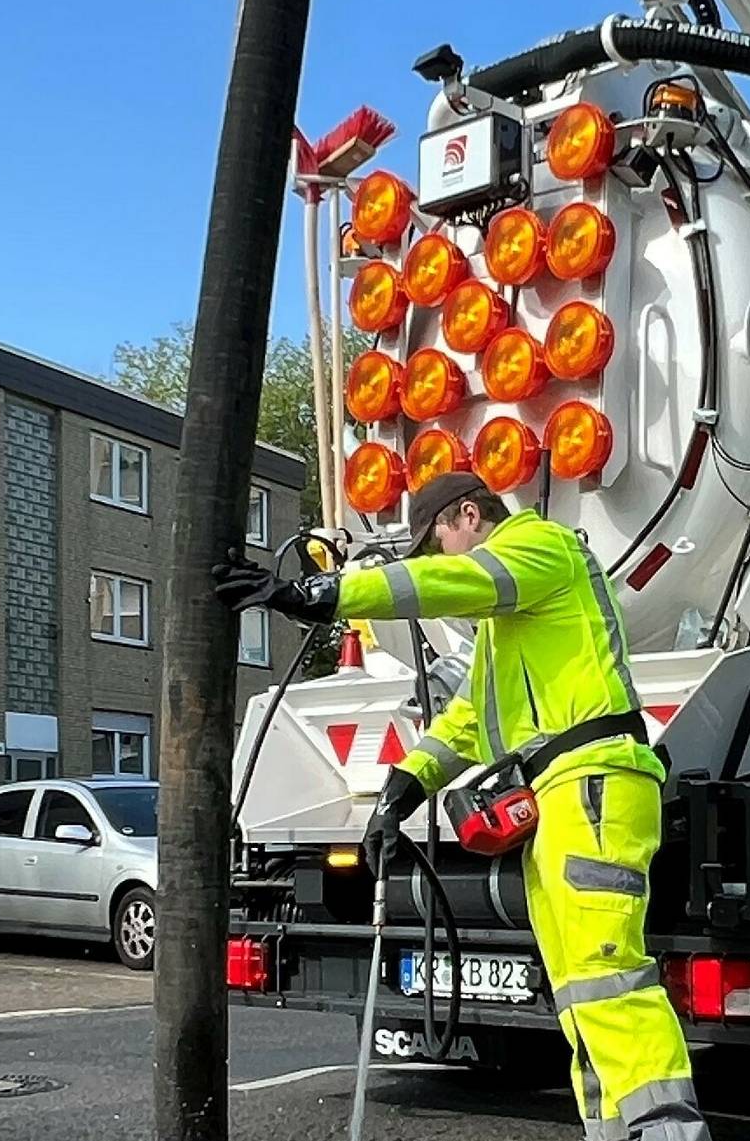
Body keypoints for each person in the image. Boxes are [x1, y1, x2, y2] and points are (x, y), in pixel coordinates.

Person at [213, 472, 707, 1141]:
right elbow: (468, 719)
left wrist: (327, 593)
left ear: (469, 514)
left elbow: (454, 582)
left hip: (591, 780)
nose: (440, 561)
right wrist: (402, 789)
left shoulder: (542, 546)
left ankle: (668, 1132)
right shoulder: (511, 628)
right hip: (564, 792)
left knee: (606, 974)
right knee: (580, 991)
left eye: (437, 542)